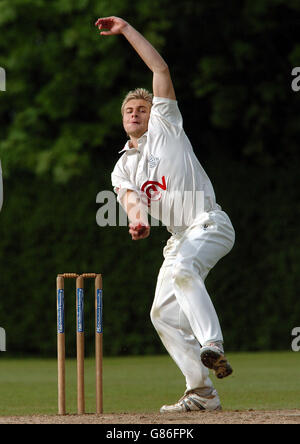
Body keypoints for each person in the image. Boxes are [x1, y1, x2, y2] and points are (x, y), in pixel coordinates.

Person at [95, 16, 235, 413]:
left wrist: (125, 31)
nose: (136, 113)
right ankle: (202, 391)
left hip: (209, 223)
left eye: (141, 108)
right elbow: (130, 199)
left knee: (185, 270)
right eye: (129, 110)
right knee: (162, 314)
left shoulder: (166, 124)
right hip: (178, 238)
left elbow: (159, 68)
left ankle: (213, 344)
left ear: (153, 112)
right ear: (122, 119)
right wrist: (137, 221)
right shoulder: (123, 165)